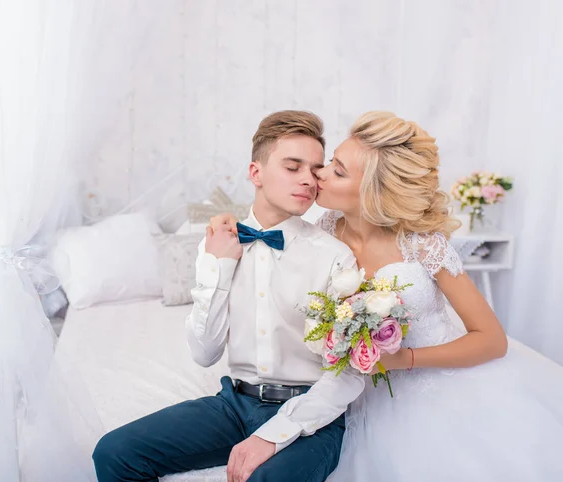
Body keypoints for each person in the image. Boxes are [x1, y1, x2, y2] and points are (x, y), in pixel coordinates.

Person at [210, 111, 563, 481]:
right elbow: (274, 249)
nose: (320, 174)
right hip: (360, 391)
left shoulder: (423, 245)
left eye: (338, 170)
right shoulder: (323, 232)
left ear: (372, 191)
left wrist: (404, 359)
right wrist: (229, 225)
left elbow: (492, 340)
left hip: (440, 384)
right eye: (331, 162)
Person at [91, 110, 369, 482]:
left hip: (310, 412)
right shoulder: (218, 244)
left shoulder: (334, 255)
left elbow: (349, 375)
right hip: (234, 404)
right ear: (256, 173)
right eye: (292, 166)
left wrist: (273, 437)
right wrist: (220, 267)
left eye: (315, 169)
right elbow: (204, 354)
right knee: (114, 453)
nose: (308, 180)